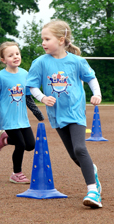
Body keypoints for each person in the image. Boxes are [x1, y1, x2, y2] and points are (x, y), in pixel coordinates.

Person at [26, 20, 102, 208]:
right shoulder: (40, 62)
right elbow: (32, 86)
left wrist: (97, 94)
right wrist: (43, 98)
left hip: (75, 112)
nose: (43, 42)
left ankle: (93, 191)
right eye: (42, 39)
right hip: (56, 115)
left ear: (61, 40)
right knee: (74, 155)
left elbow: (91, 78)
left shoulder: (77, 61)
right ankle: (92, 172)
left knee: (79, 149)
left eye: (47, 38)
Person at [0, 42, 44, 184]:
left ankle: (5, 140)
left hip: (22, 118)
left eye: (17, 54)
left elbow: (27, 97)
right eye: (10, 55)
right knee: (20, 144)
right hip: (7, 117)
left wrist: (36, 112)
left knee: (30, 145)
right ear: (3, 60)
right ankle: (16, 173)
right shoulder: (0, 77)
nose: (15, 57)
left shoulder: (25, 74)